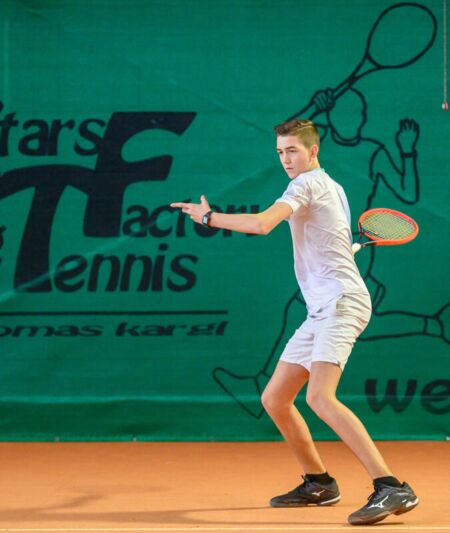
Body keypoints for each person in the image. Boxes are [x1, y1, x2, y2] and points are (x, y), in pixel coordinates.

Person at [170, 119, 418, 526]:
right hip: (322, 307)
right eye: (280, 152)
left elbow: (262, 224)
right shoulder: (331, 187)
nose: (285, 159)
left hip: (341, 303)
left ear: (312, 151)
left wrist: (209, 217)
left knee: (320, 397)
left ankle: (391, 486)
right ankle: (319, 483)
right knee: (275, 399)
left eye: (292, 151)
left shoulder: (306, 185)